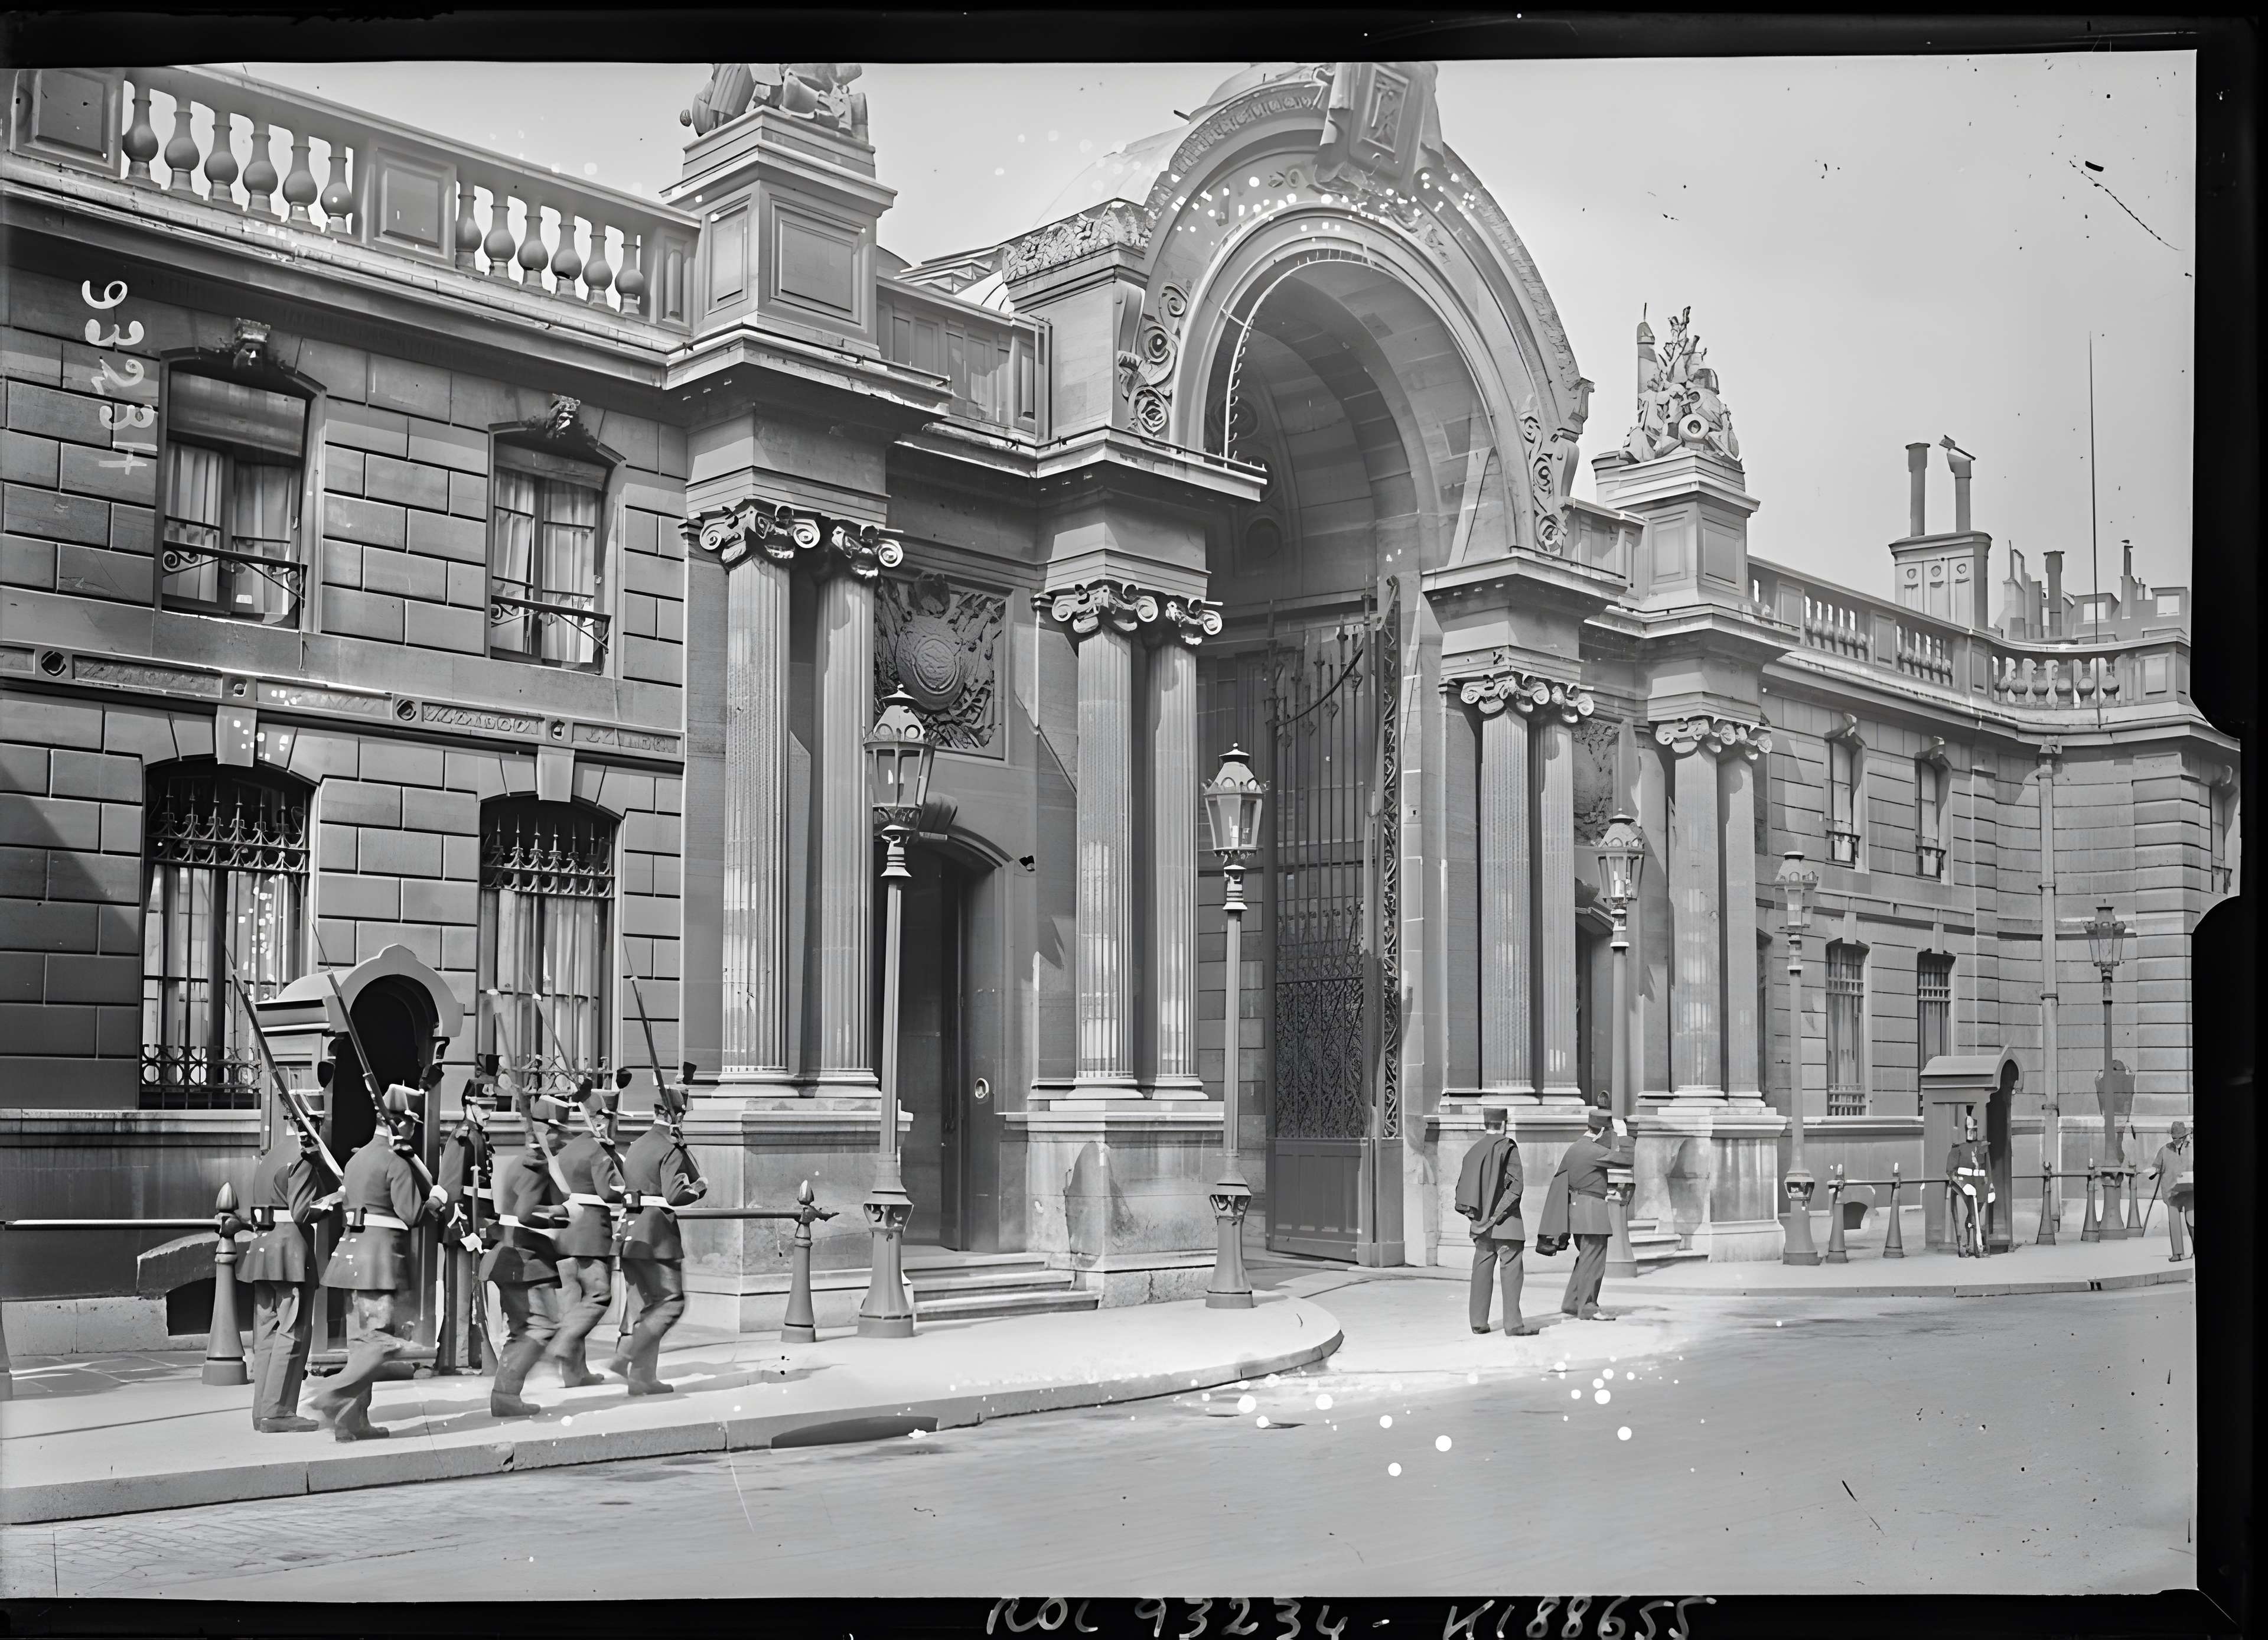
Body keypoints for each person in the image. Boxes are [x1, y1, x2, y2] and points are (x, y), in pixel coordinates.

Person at [307, 1083, 445, 1441]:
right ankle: (332, 1397)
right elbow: (411, 1215)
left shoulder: (358, 1157)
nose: (414, 1130)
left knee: (360, 1344)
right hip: (379, 1260)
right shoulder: (394, 1162)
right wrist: (435, 1203)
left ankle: (352, 1422)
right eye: (413, 1123)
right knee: (380, 1341)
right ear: (402, 1124)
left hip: (351, 1256)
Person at [237, 1088, 338, 1433]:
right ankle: (278, 1413)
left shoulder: (272, 1154)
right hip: (290, 1254)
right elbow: (302, 1212)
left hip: (263, 1252)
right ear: (312, 1121)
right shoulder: (302, 1158)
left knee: (266, 1334)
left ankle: (262, 1411)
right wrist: (336, 1199)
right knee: (293, 1333)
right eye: (320, 1121)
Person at [610, 1067, 708, 1393]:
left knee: (641, 1305)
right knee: (669, 1301)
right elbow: (675, 1194)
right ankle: (628, 1356)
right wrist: (699, 1188)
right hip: (656, 1236)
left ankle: (642, 1378)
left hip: (630, 1233)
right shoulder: (669, 1148)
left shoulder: (638, 1144)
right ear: (675, 1115)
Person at [484, 1092, 573, 1417]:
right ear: (544, 1132)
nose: (562, 1139)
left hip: (517, 1255)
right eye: (557, 1132)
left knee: (527, 1329)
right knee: (538, 1328)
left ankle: (506, 1396)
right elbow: (525, 1214)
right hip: (525, 1258)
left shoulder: (529, 1162)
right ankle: (507, 1395)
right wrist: (560, 1212)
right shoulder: (535, 1166)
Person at [548, 1082, 627, 1390]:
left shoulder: (569, 1150)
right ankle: (563, 1341)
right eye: (610, 1118)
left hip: (564, 1235)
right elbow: (612, 1191)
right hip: (591, 1234)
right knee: (598, 1295)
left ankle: (575, 1374)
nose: (611, 1123)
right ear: (601, 1118)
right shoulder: (599, 1151)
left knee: (572, 1305)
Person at [1536, 1101, 1633, 1321]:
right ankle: (1588, 1307)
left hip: (1579, 1209)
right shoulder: (1593, 1151)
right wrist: (1625, 1135)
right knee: (1594, 1260)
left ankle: (1572, 1302)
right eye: (1610, 1133)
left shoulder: (1578, 1147)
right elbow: (1628, 1160)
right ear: (1601, 1132)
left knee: (1586, 1258)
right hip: (1592, 1213)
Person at [435, 1064, 500, 1373]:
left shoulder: (478, 1137)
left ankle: (468, 1355)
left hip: (478, 1226)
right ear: (468, 1105)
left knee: (474, 1297)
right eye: (483, 1107)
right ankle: (456, 1358)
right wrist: (464, 1232)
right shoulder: (463, 1138)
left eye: (492, 1107)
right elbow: (449, 1190)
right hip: (463, 1229)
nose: (488, 1113)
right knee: (461, 1298)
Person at [1455, 1105, 1537, 1336]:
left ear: (1485, 1124)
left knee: (1481, 1270)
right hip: (1506, 1223)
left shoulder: (1473, 1151)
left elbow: (1461, 1191)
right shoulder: (1507, 1146)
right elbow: (1516, 1187)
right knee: (1511, 1271)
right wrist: (1496, 1216)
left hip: (1480, 1225)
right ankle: (1513, 1325)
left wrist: (1478, 1217)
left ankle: (1478, 1323)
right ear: (1505, 1123)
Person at [1946, 1109, 1994, 1258]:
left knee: (1977, 1218)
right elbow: (1951, 1171)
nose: (1972, 1132)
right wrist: (1962, 1184)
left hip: (1979, 1184)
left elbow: (1987, 1168)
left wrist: (1990, 1185)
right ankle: (1963, 1246)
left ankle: (1976, 1246)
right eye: (1969, 1129)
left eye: (1974, 1129)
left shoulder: (1981, 1146)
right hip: (1962, 1186)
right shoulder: (1957, 1147)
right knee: (1963, 1218)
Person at [2148, 1120, 2194, 1261]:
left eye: (2179, 1138)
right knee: (2174, 1223)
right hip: (2171, 1192)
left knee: (2192, 1222)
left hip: (2190, 1191)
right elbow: (2156, 1166)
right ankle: (2177, 1254)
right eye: (2174, 1138)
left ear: (2185, 1137)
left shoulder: (2191, 1149)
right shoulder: (2165, 1149)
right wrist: (2153, 1171)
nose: (2176, 1141)